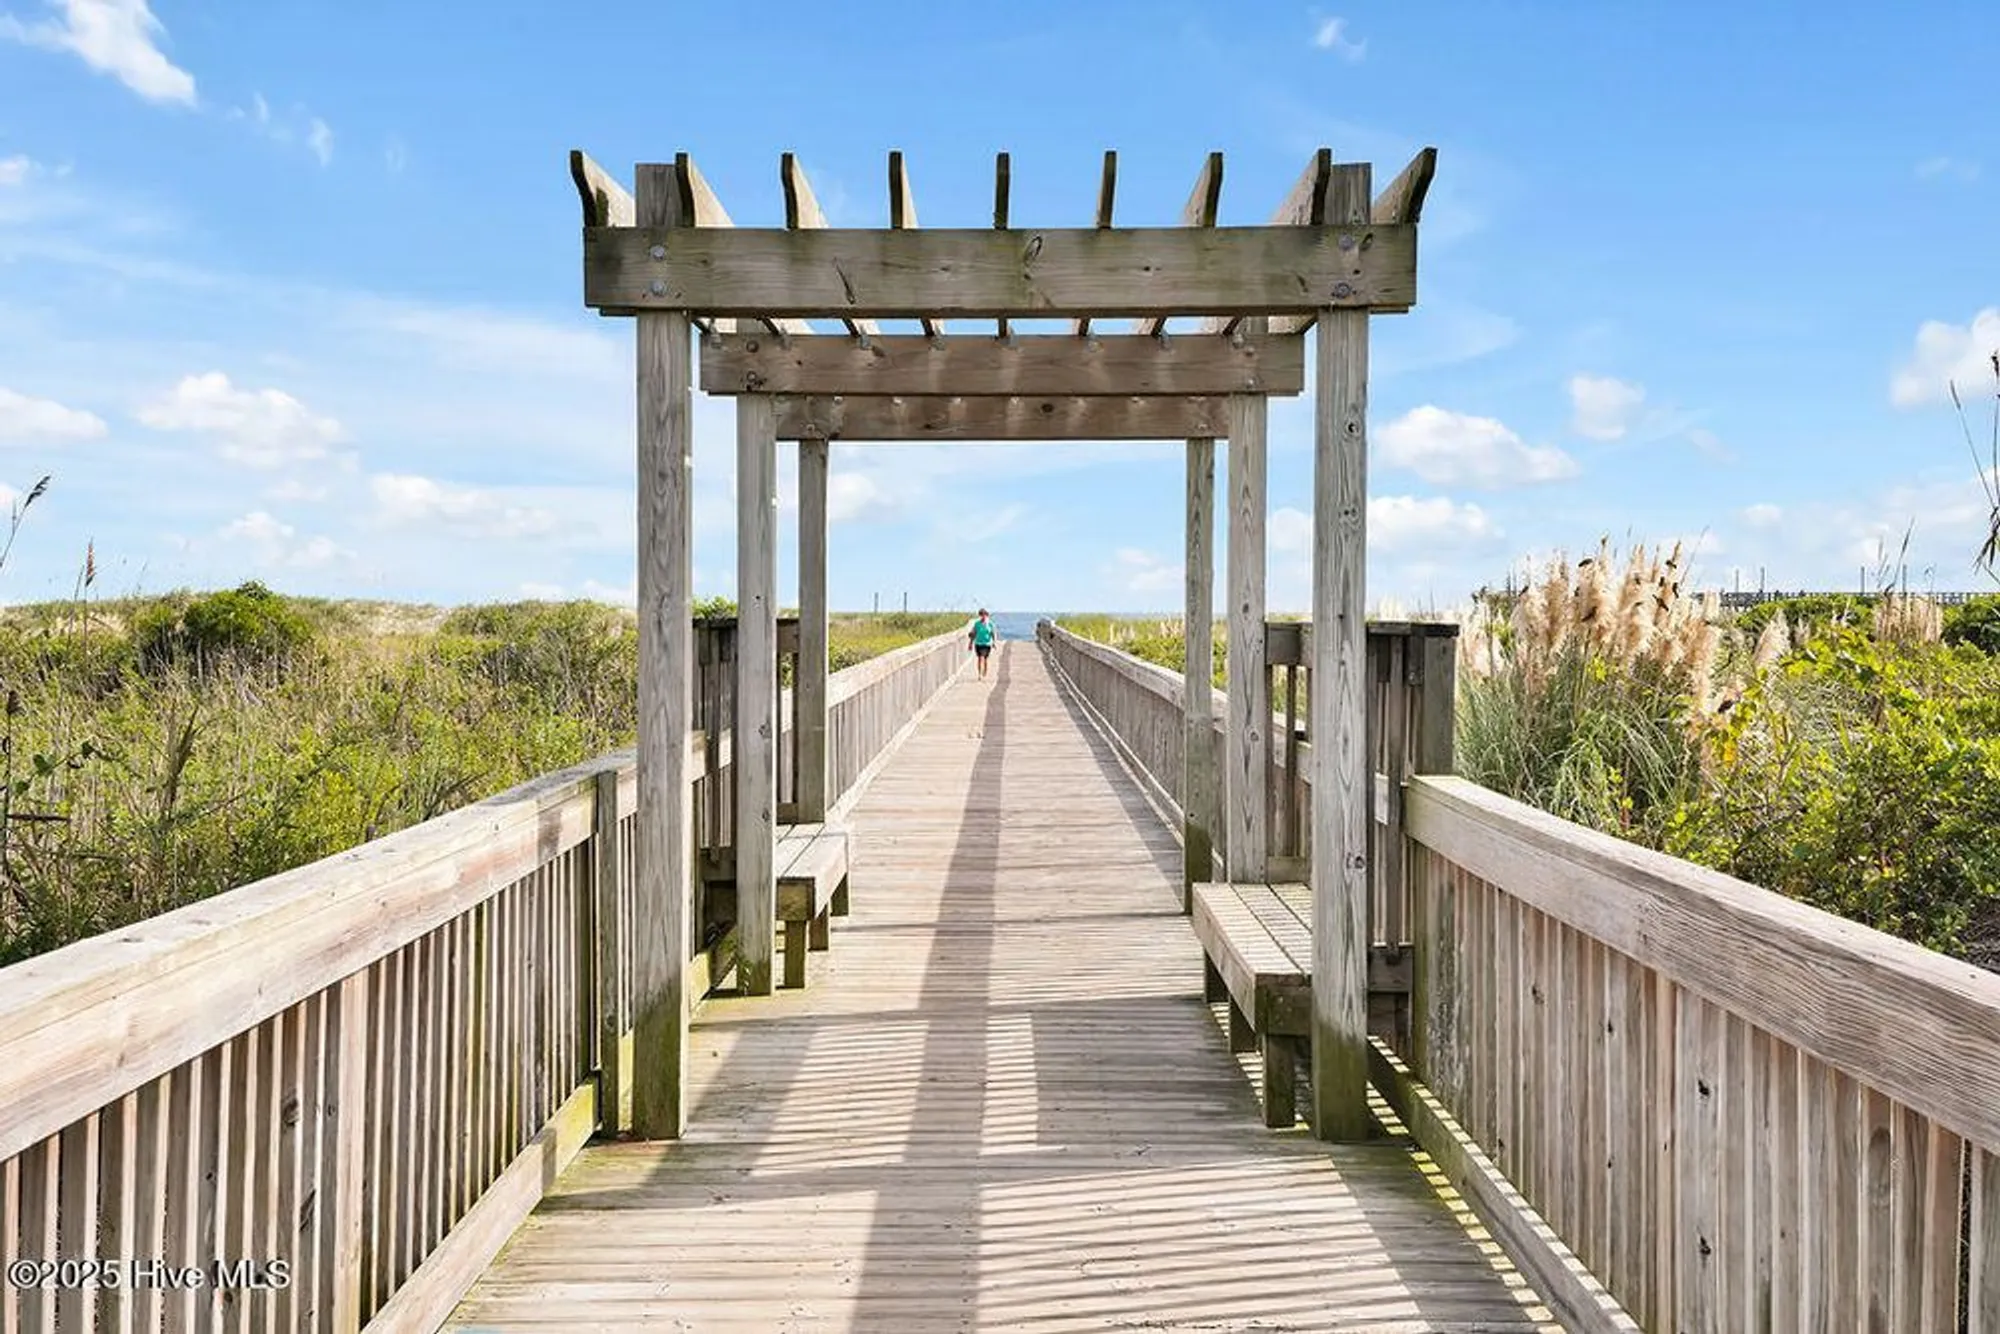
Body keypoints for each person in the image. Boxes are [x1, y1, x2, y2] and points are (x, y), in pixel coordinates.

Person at [968, 608, 996, 679]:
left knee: (985, 659)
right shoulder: (977, 624)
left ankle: (985, 671)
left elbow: (993, 633)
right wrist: (970, 643)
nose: (983, 616)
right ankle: (979, 674)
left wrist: (994, 642)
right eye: (981, 615)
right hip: (978, 643)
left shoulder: (990, 624)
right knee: (980, 658)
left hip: (987, 644)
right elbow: (973, 634)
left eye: (984, 615)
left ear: (987, 615)